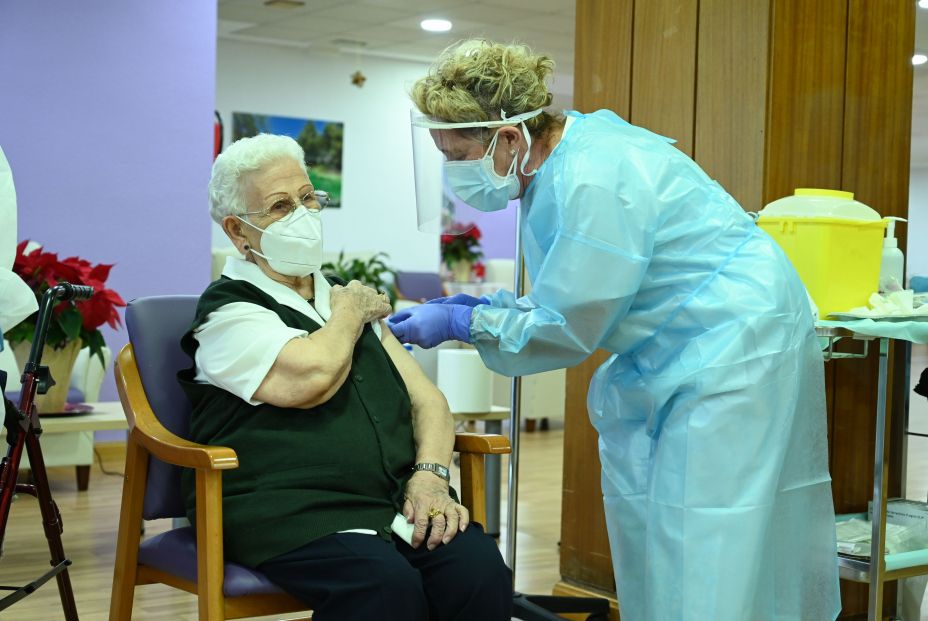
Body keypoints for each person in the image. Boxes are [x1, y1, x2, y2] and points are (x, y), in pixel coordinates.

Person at [390, 40, 841, 621]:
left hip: (733, 346)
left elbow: (564, 324)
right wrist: (471, 309)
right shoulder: (558, 164)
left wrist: (462, 319)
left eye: (456, 154)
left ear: (506, 137)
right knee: (659, 527)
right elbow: (563, 294)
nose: (454, 172)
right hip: (681, 344)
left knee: (707, 536)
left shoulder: (594, 178)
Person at [178, 134, 512, 621]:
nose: (303, 213)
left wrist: (431, 477)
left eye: (308, 197)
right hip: (287, 512)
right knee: (382, 586)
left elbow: (428, 402)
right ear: (238, 231)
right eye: (280, 205)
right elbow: (313, 377)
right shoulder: (229, 313)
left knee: (477, 569)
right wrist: (352, 312)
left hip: (390, 504)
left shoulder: (338, 298)